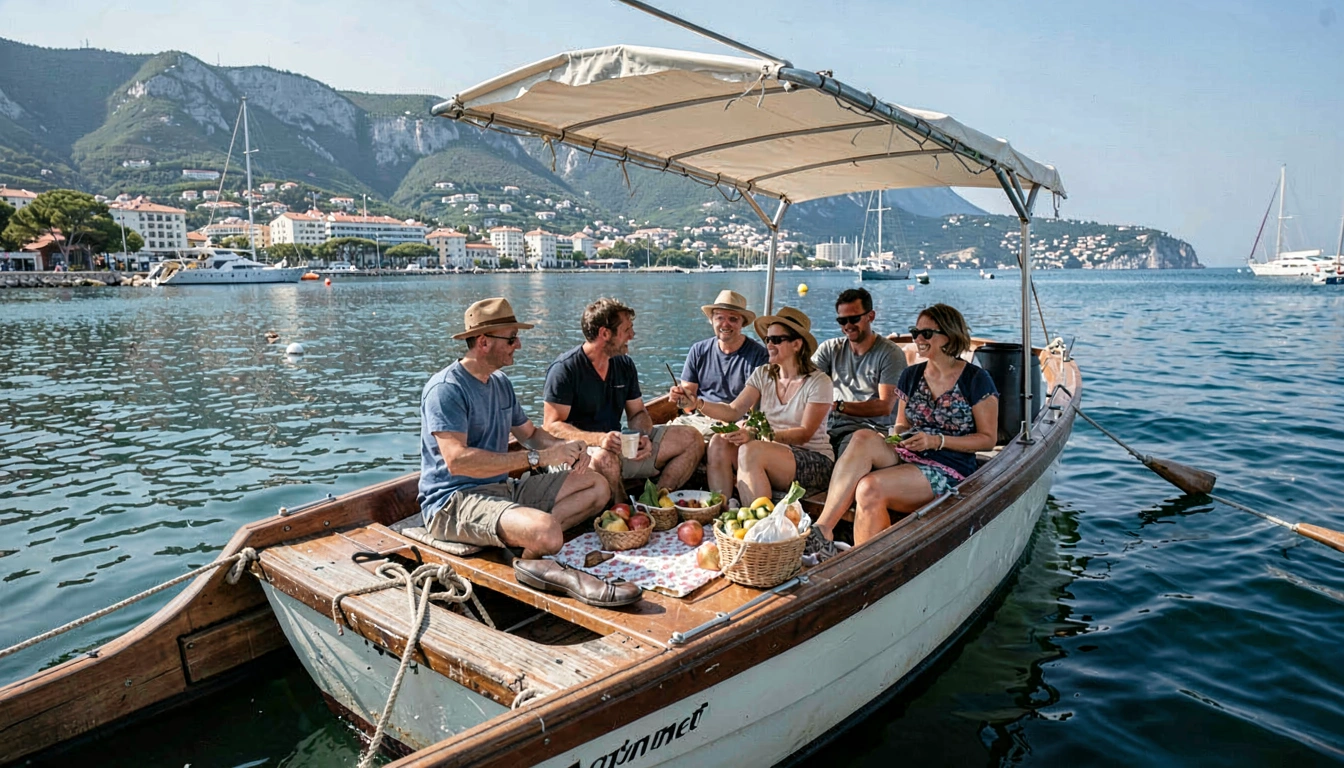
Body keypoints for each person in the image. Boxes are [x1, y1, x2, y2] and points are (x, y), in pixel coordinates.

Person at [418, 297, 638, 607]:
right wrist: (535, 459)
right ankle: (536, 544)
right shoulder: (446, 389)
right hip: (453, 502)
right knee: (548, 531)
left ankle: (529, 547)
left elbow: (531, 434)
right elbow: (457, 461)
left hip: (499, 489)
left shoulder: (500, 384)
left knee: (597, 485)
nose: (518, 344)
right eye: (511, 338)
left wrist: (567, 448)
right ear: (483, 342)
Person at [808, 304, 998, 561]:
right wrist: (900, 436)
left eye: (926, 334)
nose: (918, 339)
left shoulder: (975, 379)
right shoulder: (911, 375)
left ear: (949, 336)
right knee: (862, 436)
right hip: (910, 453)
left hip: (949, 466)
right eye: (915, 332)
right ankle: (822, 530)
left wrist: (937, 440)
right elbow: (900, 424)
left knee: (869, 488)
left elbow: (988, 440)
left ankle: (865, 565)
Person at [543, 298, 705, 503]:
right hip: (576, 455)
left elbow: (637, 413)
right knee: (605, 458)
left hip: (617, 447)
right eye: (627, 329)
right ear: (605, 334)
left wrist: (641, 436)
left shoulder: (624, 364)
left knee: (692, 438)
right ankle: (623, 514)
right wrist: (600, 439)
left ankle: (653, 502)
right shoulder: (565, 369)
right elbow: (551, 426)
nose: (632, 335)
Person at [674, 306, 834, 505]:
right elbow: (733, 411)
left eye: (776, 340)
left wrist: (757, 434)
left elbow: (804, 433)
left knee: (752, 450)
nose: (769, 345)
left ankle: (758, 526)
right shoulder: (763, 373)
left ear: (796, 345)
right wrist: (697, 403)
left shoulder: (819, 382)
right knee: (719, 442)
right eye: (768, 339)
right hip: (769, 450)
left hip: (812, 460)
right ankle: (724, 510)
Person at [812, 287, 907, 456]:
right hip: (828, 427)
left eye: (854, 319)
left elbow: (885, 406)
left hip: (870, 431)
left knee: (845, 453)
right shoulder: (829, 349)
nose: (848, 325)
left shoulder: (890, 354)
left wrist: (838, 406)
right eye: (842, 321)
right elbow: (805, 382)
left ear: (871, 316)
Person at [673, 289, 770, 406]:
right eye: (719, 318)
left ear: (742, 323)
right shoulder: (698, 350)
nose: (725, 324)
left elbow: (757, 404)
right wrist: (680, 396)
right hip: (700, 416)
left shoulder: (759, 355)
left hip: (741, 420)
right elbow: (688, 399)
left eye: (733, 319)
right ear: (711, 321)